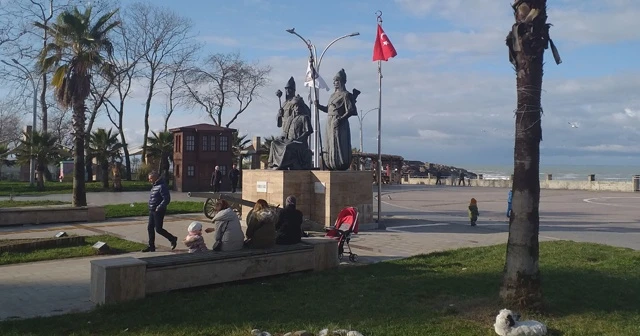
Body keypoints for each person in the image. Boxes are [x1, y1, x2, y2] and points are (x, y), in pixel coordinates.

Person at [315, 69, 358, 171]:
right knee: (329, 143)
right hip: (329, 122)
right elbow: (328, 109)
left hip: (339, 123)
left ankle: (340, 163)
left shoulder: (345, 95)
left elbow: (351, 110)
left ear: (342, 81)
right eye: (334, 81)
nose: (335, 83)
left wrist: (340, 119)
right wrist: (318, 106)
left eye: (337, 81)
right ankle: (330, 163)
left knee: (338, 143)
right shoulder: (332, 96)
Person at [268, 77, 314, 170]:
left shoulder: (302, 112)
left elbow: (307, 128)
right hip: (286, 132)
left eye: (290, 89)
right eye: (286, 89)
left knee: (287, 147)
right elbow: (280, 123)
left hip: (297, 138)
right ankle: (273, 164)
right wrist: (279, 114)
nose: (287, 91)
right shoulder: (284, 104)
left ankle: (282, 164)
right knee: (274, 143)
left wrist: (297, 139)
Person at [143, 171, 177, 252]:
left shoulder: (162, 186)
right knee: (150, 228)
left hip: (158, 211)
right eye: (149, 179)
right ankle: (151, 246)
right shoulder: (154, 186)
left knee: (158, 229)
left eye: (150, 179)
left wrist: (159, 207)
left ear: (155, 177)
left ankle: (172, 239)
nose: (149, 180)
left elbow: (166, 199)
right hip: (152, 210)